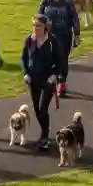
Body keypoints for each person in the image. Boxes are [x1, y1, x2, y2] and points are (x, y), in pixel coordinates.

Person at [20, 13, 59, 151]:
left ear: (45, 27)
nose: (35, 28)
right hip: (33, 80)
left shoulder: (52, 41)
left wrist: (54, 75)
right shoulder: (29, 40)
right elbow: (23, 58)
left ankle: (44, 137)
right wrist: (26, 73)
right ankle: (45, 132)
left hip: (48, 80)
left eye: (38, 25)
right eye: (34, 25)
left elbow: (60, 61)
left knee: (43, 108)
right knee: (36, 109)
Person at [38, 0, 80, 96]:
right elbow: (38, 17)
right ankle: (50, 81)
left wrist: (77, 34)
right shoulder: (45, 1)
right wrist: (43, 25)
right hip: (49, 35)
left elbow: (75, 18)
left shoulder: (67, 2)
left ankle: (62, 82)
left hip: (64, 35)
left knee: (62, 59)